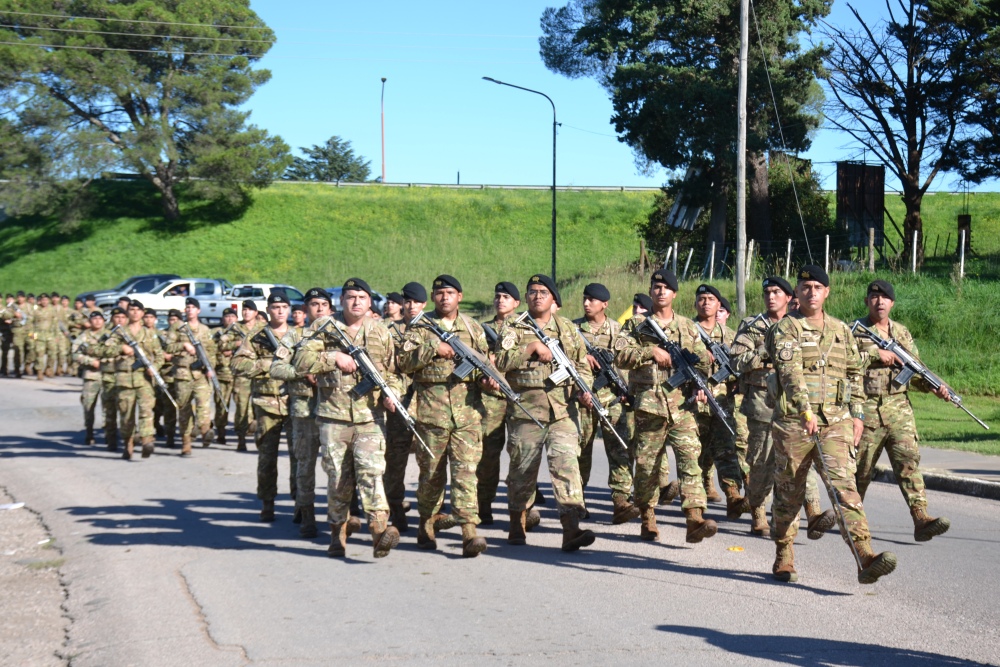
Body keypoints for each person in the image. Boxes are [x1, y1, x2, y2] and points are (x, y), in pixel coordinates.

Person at [766, 265, 896, 584]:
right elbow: (789, 373)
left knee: (845, 490)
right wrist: (805, 412)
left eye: (817, 287)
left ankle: (864, 556)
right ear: (797, 292)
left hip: (835, 423)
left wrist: (857, 415)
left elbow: (854, 374)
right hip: (795, 423)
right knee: (789, 492)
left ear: (827, 292)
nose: (811, 292)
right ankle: (784, 554)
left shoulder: (841, 330)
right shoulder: (786, 329)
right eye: (805, 286)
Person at [292, 278, 401, 559]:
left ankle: (379, 532)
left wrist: (394, 394)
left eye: (362, 298)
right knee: (338, 479)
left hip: (370, 417)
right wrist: (333, 357)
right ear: (341, 300)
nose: (356, 302)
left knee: (372, 473)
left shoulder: (380, 331)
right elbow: (300, 362)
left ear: (369, 302)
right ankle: (337, 533)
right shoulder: (323, 326)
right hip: (333, 417)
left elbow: (394, 372)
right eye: (351, 297)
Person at [494, 274, 596, 552]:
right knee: (522, 471)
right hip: (527, 412)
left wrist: (585, 389)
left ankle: (571, 528)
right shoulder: (514, 327)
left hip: (562, 412)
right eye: (532, 292)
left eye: (543, 292)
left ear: (553, 298)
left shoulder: (567, 329)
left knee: (567, 467)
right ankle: (517, 521)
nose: (537, 296)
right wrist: (530, 348)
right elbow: (501, 361)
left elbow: (581, 364)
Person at [615, 270, 718, 544]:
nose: (661, 291)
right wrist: (650, 352)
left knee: (690, 460)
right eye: (656, 287)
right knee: (648, 464)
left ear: (675, 294)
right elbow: (621, 355)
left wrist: (700, 385)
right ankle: (648, 517)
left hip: (682, 405)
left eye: (666, 287)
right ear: (651, 292)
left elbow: (702, 363)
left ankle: (694, 518)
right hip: (649, 404)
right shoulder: (636, 325)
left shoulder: (686, 326)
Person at [730, 277, 832, 539]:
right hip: (762, 406)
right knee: (761, 465)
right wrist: (767, 352)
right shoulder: (752, 327)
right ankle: (756, 510)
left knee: (801, 463)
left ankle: (814, 513)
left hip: (796, 407)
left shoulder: (801, 326)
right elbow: (736, 360)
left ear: (790, 297)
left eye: (777, 292)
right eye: (767, 292)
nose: (771, 297)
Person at [397, 275, 490, 558]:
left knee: (466, 473)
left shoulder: (473, 328)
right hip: (430, 414)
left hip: (467, 415)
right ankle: (426, 523)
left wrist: (488, 381)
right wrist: (432, 348)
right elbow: (403, 361)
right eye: (439, 293)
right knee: (431, 476)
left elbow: (485, 364)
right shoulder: (419, 327)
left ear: (459, 296)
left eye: (449, 292)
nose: (444, 297)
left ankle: (468, 531)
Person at [852, 279, 952, 542]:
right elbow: (844, 366)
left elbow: (915, 371)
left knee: (908, 463)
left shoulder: (902, 334)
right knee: (860, 471)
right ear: (866, 301)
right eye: (874, 297)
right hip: (867, 409)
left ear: (892, 303)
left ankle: (921, 518)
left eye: (885, 297)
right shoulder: (854, 331)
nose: (879, 301)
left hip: (899, 410)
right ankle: (850, 520)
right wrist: (875, 354)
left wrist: (935, 387)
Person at [270, 287, 339, 539]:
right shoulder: (294, 336)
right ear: (305, 309)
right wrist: (301, 372)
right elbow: (276, 368)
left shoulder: (338, 334)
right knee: (305, 464)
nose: (319, 309)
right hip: (304, 411)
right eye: (313, 304)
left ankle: (340, 514)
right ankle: (307, 512)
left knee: (338, 467)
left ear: (330, 309)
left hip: (336, 410)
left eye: (323, 304)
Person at [572, 282, 638, 524]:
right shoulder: (573, 329)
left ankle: (621, 501)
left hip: (612, 401)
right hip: (582, 399)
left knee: (620, 449)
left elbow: (627, 364)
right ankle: (576, 502)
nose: (586, 303)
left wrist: (626, 391)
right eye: (585, 298)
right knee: (580, 451)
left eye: (592, 299)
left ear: (605, 304)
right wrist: (583, 356)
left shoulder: (618, 331)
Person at [232, 293, 296, 522]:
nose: (280, 311)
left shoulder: (299, 335)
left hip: (295, 404)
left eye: (283, 307)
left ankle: (300, 504)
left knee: (299, 457)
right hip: (266, 403)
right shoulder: (257, 336)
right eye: (275, 307)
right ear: (268, 310)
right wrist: (269, 365)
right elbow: (238, 363)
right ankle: (267, 502)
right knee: (267, 457)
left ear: (289, 309)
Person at [691, 284, 749, 520]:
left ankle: (733, 496)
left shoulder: (731, 335)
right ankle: (695, 503)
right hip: (693, 403)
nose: (706, 303)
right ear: (696, 303)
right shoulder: (688, 331)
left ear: (719, 305)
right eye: (702, 298)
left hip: (723, 403)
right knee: (698, 455)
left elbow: (740, 366)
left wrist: (736, 379)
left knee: (726, 449)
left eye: (711, 299)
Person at [383, 281, 428, 531]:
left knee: (428, 461)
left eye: (415, 302)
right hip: (399, 406)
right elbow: (383, 366)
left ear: (424, 304)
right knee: (395, 460)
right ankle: (397, 509)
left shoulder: (434, 330)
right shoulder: (388, 331)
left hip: (430, 406)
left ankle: (428, 513)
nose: (410, 306)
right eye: (407, 302)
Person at [477, 281, 520, 524]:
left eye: (506, 297)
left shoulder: (526, 328)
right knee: (488, 456)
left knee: (522, 455)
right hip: (491, 400)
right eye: (498, 296)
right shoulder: (482, 330)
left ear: (516, 303)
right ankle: (484, 504)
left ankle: (523, 507)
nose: (500, 300)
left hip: (520, 398)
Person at [98, 300, 163, 459]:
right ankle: (128, 443)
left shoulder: (149, 334)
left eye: (137, 310)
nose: (134, 312)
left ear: (142, 313)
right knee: (126, 415)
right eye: (131, 309)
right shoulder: (119, 332)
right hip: (125, 379)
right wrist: (121, 348)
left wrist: (153, 367)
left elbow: (160, 355)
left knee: (146, 411)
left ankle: (147, 440)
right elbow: (104, 350)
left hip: (144, 380)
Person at [164, 297, 218, 456]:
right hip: (183, 374)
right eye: (187, 307)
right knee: (184, 409)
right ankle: (186, 442)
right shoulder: (177, 327)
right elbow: (168, 346)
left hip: (200, 374)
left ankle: (204, 429)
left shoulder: (205, 330)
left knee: (203, 404)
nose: (189, 310)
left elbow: (212, 351)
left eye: (193, 307)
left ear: (198, 310)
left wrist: (211, 368)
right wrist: (183, 345)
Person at [221, 301, 265, 451]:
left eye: (250, 310)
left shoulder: (262, 328)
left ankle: (260, 438)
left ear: (256, 313)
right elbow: (222, 344)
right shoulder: (235, 327)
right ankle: (241, 437)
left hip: (259, 373)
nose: (246, 312)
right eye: (244, 310)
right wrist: (236, 343)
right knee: (241, 406)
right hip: (242, 374)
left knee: (260, 407)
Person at [72, 311, 108, 445]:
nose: (97, 321)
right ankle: (89, 431)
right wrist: (90, 361)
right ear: (90, 321)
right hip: (91, 376)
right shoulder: (84, 336)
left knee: (108, 406)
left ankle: (108, 431)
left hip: (107, 375)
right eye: (94, 319)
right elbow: (75, 354)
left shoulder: (110, 335)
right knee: (88, 405)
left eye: (100, 319)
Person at [213, 308, 238, 445]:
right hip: (222, 374)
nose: (229, 319)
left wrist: (232, 348)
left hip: (239, 375)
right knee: (221, 404)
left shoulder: (241, 333)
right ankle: (221, 433)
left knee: (242, 406)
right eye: (227, 316)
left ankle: (243, 433)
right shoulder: (216, 333)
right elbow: (211, 348)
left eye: (232, 316)